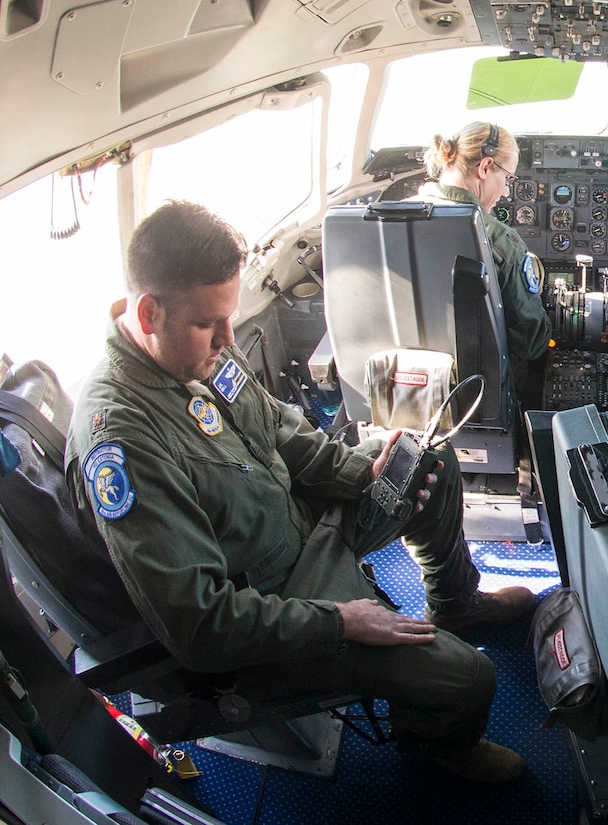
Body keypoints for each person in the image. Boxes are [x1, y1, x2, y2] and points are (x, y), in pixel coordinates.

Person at [65, 201, 535, 782]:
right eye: (208, 325)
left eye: (227, 320)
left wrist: (361, 470)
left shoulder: (197, 346)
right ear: (148, 312)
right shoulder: (122, 441)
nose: (224, 340)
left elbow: (282, 435)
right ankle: (437, 743)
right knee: (470, 681)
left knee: (427, 459)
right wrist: (340, 621)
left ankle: (456, 604)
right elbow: (201, 627)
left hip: (304, 519)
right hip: (280, 599)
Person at [411, 122, 553, 398]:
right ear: (485, 167)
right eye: (508, 179)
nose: (506, 192)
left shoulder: (390, 218)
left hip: (401, 389)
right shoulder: (498, 240)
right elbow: (532, 342)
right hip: (480, 396)